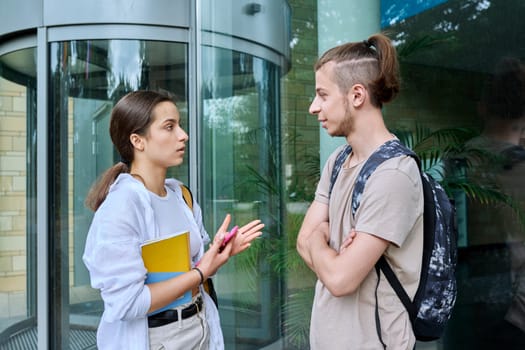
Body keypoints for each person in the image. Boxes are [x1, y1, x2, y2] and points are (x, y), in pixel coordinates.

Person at [82, 90, 264, 350]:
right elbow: (127, 302)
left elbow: (189, 271)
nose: (183, 135)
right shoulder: (121, 207)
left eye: (179, 125)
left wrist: (219, 255)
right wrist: (201, 273)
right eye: (169, 127)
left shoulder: (182, 195)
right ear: (138, 140)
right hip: (157, 339)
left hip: (200, 326)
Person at [296, 33, 424, 349]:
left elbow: (340, 280)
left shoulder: (394, 174)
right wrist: (329, 251)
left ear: (356, 95)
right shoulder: (338, 160)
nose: (314, 107)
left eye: (322, 95)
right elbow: (301, 244)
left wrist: (319, 238)